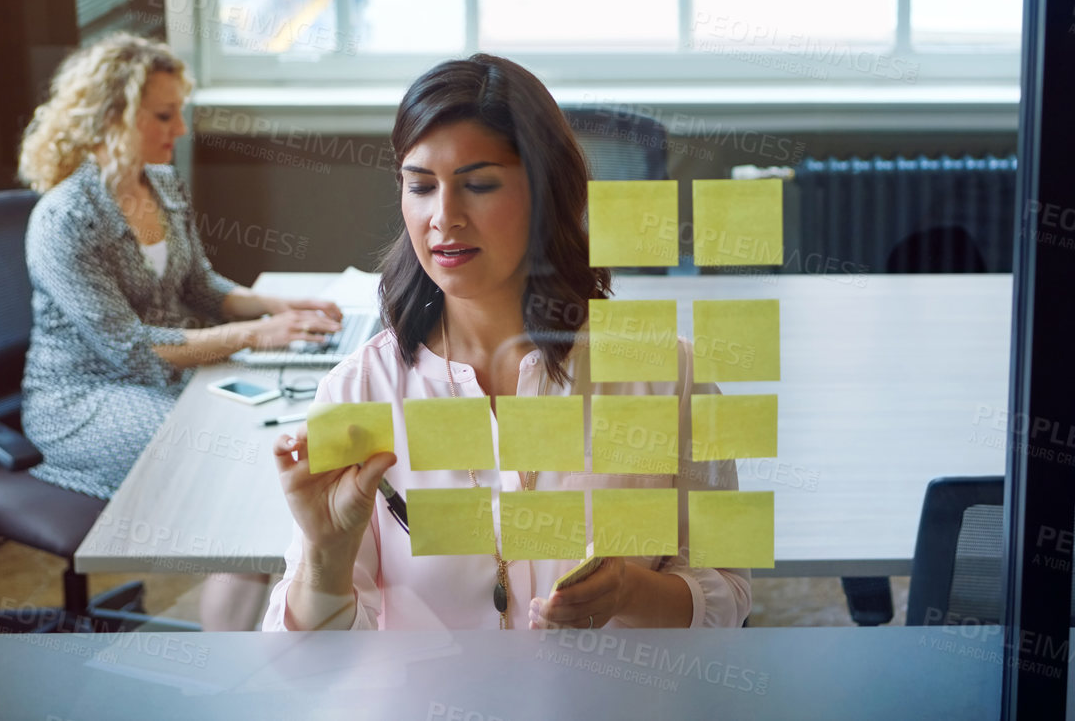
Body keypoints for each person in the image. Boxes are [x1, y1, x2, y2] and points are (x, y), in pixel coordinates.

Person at [262, 54, 751, 631]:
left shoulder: (671, 371)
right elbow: (310, 667)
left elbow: (731, 590)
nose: (443, 216)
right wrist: (325, 559)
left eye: (479, 185)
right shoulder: (358, 393)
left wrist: (631, 592)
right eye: (420, 186)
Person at [17, 33, 342, 630]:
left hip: (168, 372)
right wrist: (257, 334)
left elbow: (198, 286)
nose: (182, 130)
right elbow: (131, 350)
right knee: (228, 483)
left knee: (267, 452)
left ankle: (258, 634)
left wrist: (276, 304)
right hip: (84, 398)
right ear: (112, 116)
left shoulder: (159, 183)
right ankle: (227, 674)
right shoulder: (64, 221)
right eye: (165, 116)